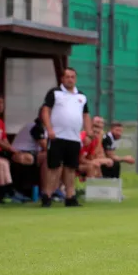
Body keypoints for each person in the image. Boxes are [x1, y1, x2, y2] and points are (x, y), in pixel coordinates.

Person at [41, 67, 92, 207]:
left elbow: (86, 115)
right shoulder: (55, 93)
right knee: (54, 167)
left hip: (74, 138)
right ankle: (47, 195)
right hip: (57, 136)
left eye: (72, 77)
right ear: (62, 79)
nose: (70, 79)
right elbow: (46, 111)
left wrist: (89, 133)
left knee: (71, 168)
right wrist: (49, 129)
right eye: (67, 77)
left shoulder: (81, 96)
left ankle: (70, 197)